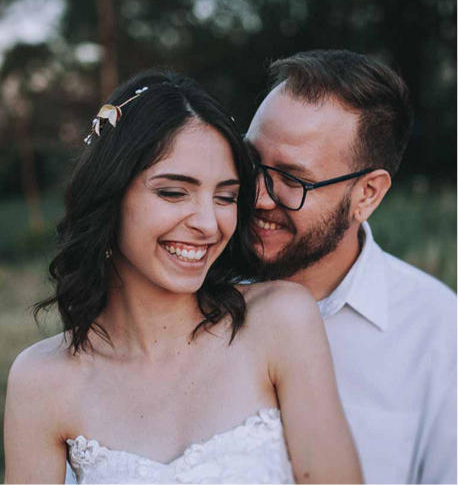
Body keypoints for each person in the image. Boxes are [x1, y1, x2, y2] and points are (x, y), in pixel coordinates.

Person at [4, 70, 362, 484]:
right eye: (174, 193)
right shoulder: (43, 380)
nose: (209, 224)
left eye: (225, 197)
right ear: (110, 195)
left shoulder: (281, 319)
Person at [245, 49, 457, 485]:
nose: (257, 197)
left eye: (293, 180)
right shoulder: (188, 288)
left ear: (367, 195)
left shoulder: (438, 335)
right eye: (249, 162)